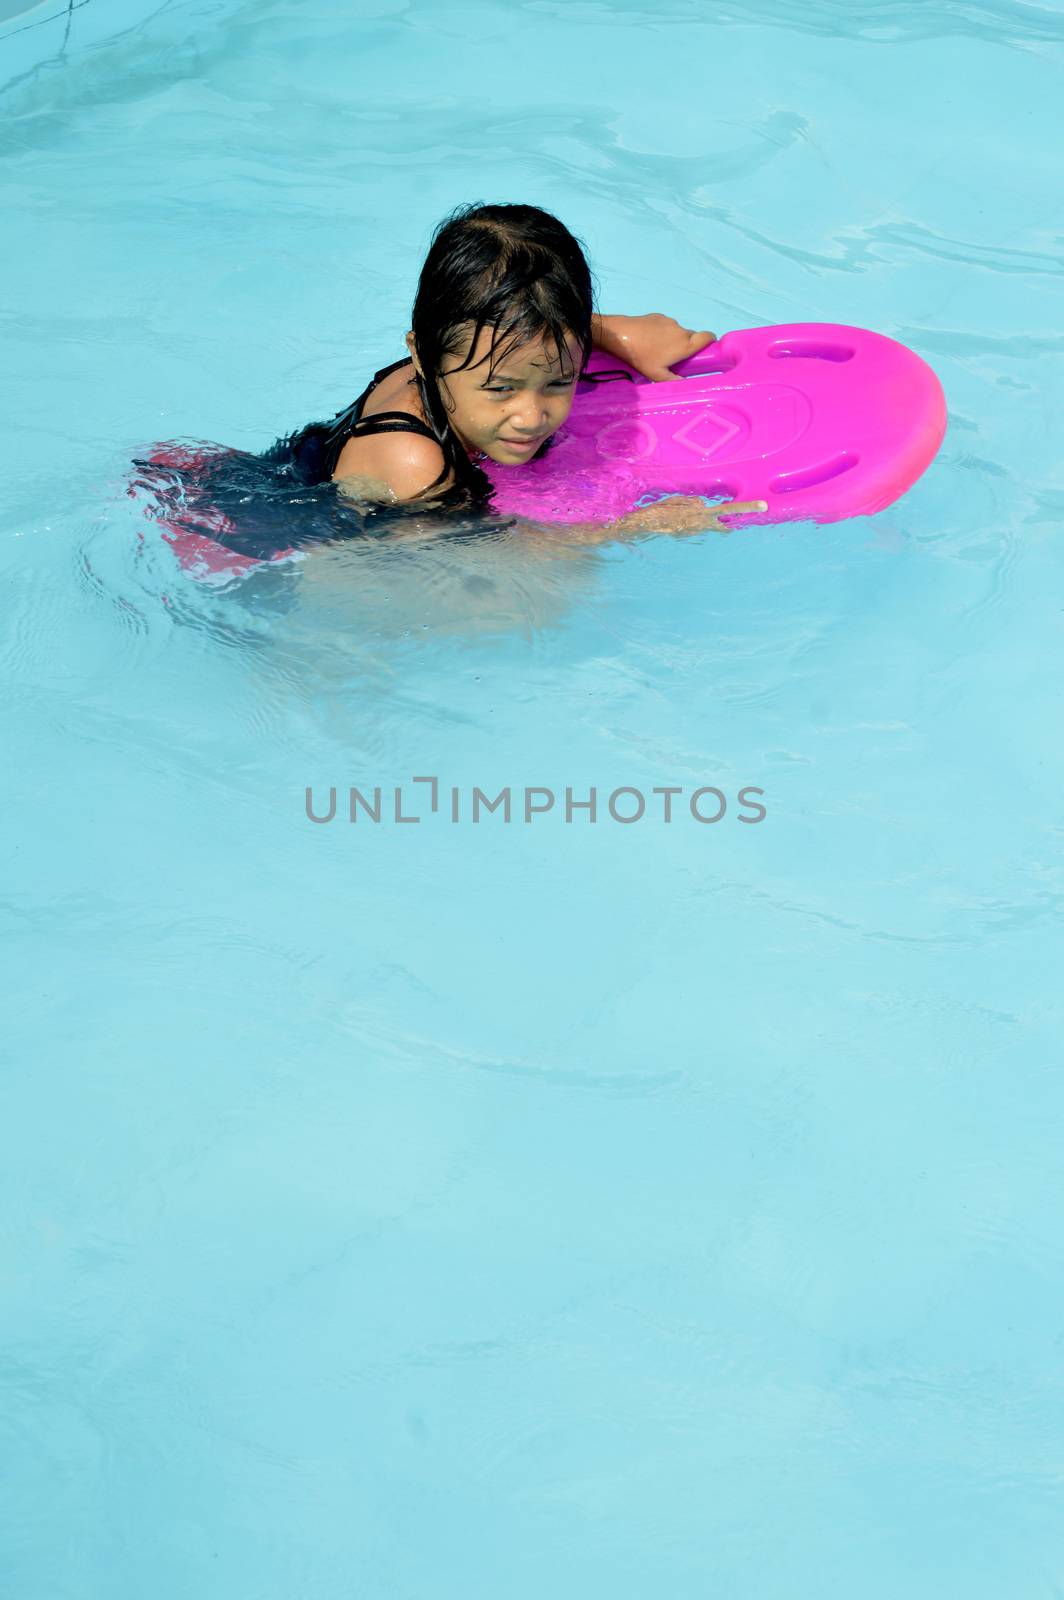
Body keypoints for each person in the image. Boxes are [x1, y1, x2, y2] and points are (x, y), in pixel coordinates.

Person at [267, 200, 765, 542]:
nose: (531, 415)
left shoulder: (485, 347)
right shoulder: (412, 465)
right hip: (283, 532)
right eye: (501, 388)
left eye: (558, 381)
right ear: (423, 355)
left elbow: (539, 331)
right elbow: (485, 569)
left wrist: (617, 334)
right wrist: (631, 528)